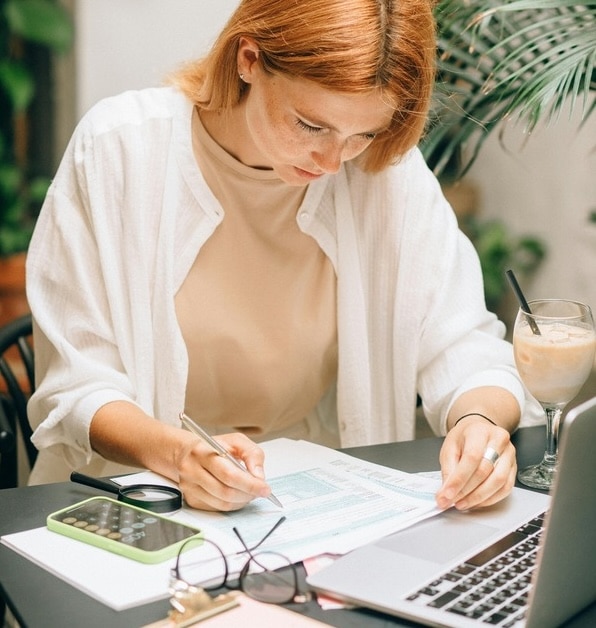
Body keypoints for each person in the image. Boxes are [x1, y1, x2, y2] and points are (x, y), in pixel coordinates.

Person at [26, 0, 539, 512]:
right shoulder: (119, 149)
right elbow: (77, 384)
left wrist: (480, 425)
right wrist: (180, 457)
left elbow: (463, 345)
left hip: (305, 501)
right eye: (311, 126)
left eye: (364, 134)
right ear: (248, 60)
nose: (333, 162)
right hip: (134, 494)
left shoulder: (385, 176)